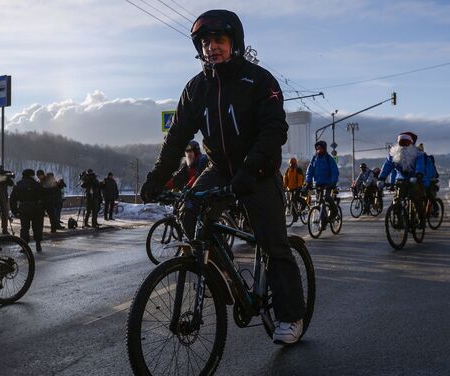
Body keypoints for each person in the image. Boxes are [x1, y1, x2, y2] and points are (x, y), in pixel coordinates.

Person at [140, 9, 306, 345]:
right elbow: (175, 139)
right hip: (219, 171)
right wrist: (157, 178)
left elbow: (274, 129)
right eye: (205, 42)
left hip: (257, 172)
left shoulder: (259, 81)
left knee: (274, 245)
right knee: (188, 213)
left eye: (219, 40)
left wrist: (252, 170)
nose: (211, 47)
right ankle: (223, 278)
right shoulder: (196, 88)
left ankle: (291, 316)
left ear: (235, 43)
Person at [377, 131, 426, 227]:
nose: (403, 146)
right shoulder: (393, 155)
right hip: (400, 180)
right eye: (401, 143)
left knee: (417, 198)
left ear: (411, 144)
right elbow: (387, 166)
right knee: (397, 200)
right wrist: (381, 178)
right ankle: (399, 219)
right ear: (398, 144)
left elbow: (420, 165)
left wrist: (419, 174)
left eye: (406, 143)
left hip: (414, 178)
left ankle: (421, 218)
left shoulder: (418, 154)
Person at [10, 169, 44, 252]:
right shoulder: (37, 185)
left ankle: (24, 246)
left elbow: (12, 199)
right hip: (36, 208)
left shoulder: (18, 185)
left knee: (24, 228)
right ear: (31, 175)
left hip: (24, 208)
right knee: (37, 227)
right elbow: (43, 197)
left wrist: (15, 211)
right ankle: (38, 244)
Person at [305, 140, 339, 219]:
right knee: (319, 201)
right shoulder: (314, 159)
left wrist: (333, 182)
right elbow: (309, 171)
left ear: (324, 149)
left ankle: (335, 211)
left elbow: (335, 171)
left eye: (320, 148)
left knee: (327, 197)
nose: (318, 150)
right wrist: (308, 181)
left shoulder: (328, 158)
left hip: (328, 184)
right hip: (318, 183)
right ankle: (323, 220)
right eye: (317, 149)